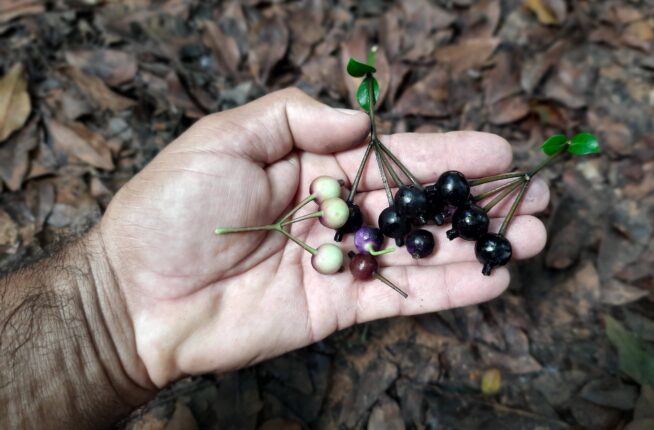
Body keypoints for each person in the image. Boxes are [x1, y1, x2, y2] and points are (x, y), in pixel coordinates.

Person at [0, 88, 549, 428]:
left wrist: (107, 313)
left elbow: (374, 230)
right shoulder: (338, 217)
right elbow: (355, 228)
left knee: (451, 222)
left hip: (351, 227)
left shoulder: (381, 219)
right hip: (338, 228)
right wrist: (109, 299)